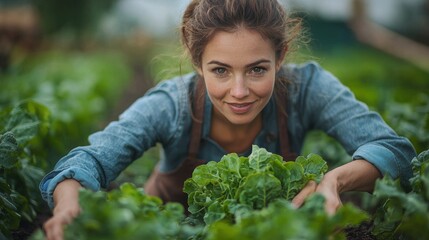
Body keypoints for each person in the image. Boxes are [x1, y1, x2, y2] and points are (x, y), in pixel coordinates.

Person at [40, 0, 416, 239]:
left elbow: (394, 151)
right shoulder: (171, 104)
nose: (239, 91)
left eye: (256, 69)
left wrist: (335, 179)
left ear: (281, 56)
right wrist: (69, 204)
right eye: (220, 70)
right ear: (196, 60)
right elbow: (88, 161)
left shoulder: (306, 89)